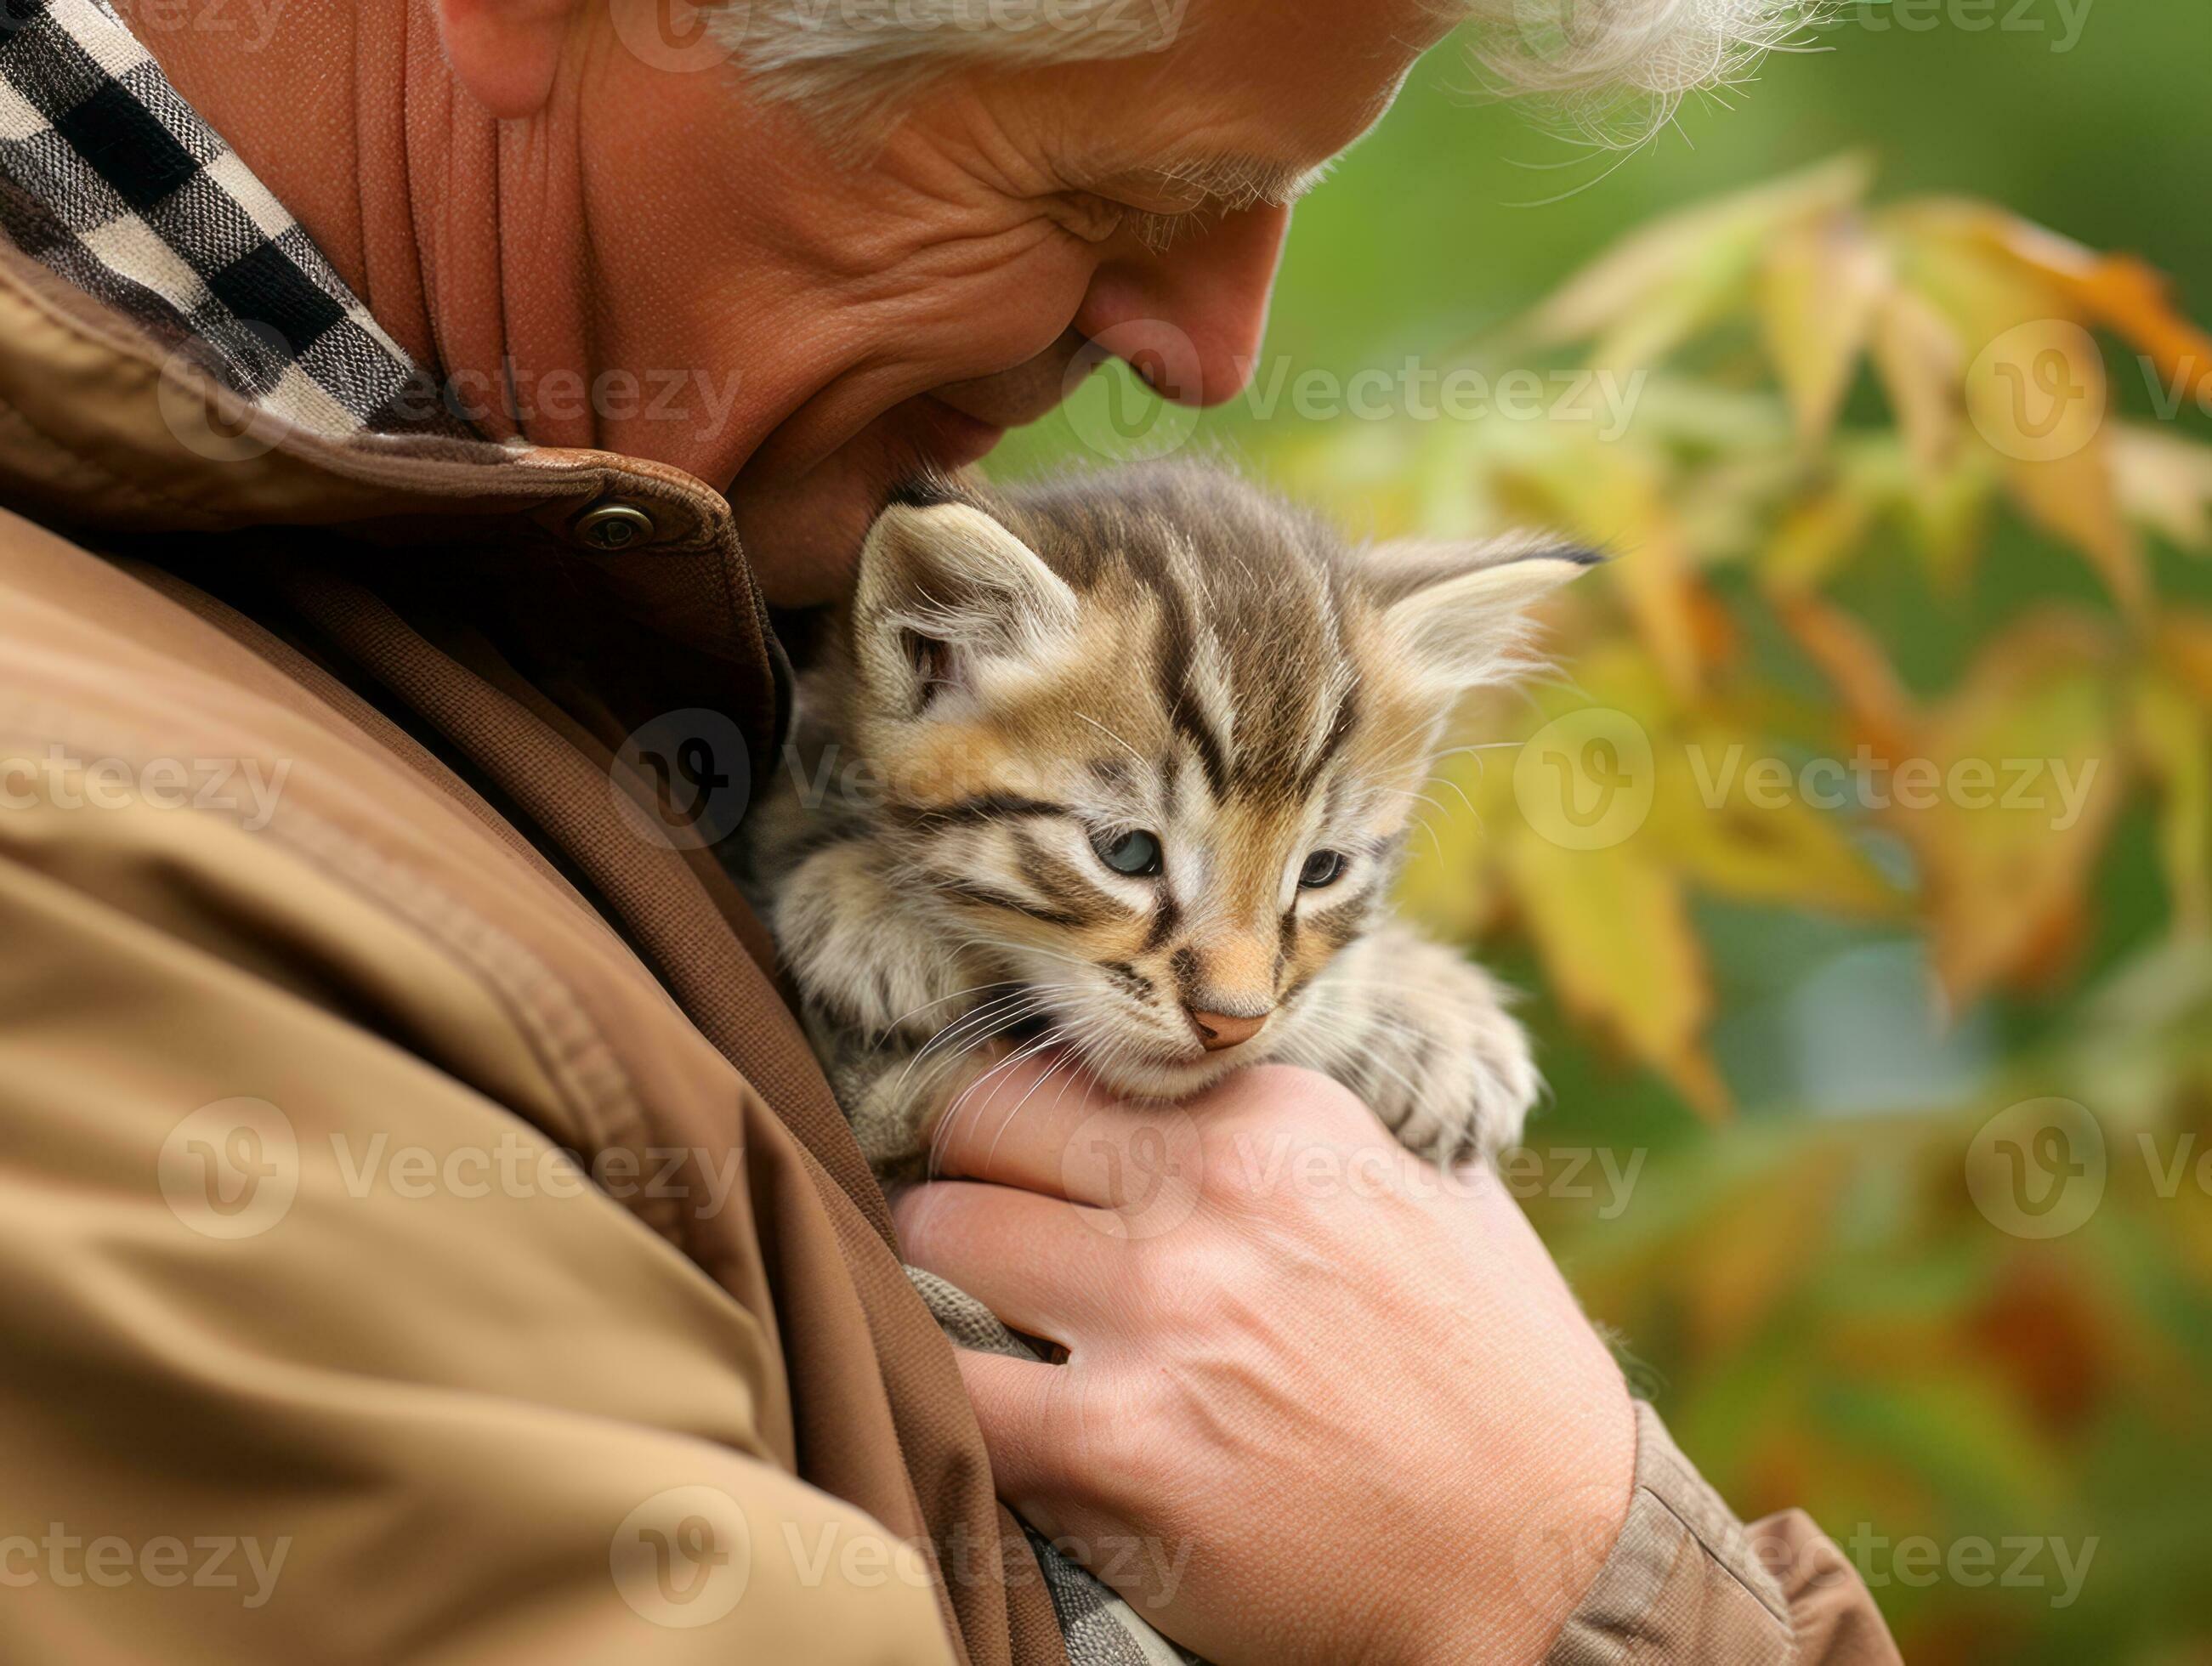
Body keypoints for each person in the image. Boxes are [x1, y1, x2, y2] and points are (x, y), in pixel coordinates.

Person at [0, 0, 1899, 1658]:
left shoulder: (571, 560)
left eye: (1274, 198)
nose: (1214, 353)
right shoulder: (94, 862)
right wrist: (1555, 1588)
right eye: (1108, 199)